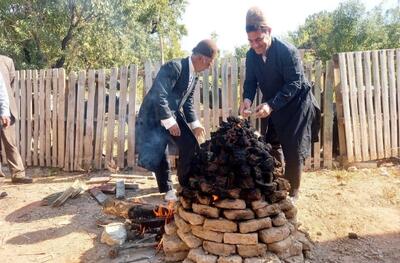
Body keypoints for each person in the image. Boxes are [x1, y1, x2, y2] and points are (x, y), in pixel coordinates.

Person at [239, 7, 320, 202]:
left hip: (296, 105)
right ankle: (277, 183)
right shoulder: (251, 55)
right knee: (272, 143)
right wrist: (247, 99)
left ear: (269, 31)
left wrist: (270, 105)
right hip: (273, 105)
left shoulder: (287, 51)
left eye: (259, 39)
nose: (255, 45)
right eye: (251, 41)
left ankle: (292, 195)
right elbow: (251, 81)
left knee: (293, 149)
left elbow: (294, 83)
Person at [136, 39, 218, 201]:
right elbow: (159, 95)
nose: (209, 67)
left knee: (189, 143)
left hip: (171, 113)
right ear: (202, 58)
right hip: (154, 114)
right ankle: (167, 189)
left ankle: (185, 184)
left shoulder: (194, 76)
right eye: (209, 63)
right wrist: (169, 121)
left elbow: (187, 102)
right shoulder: (174, 66)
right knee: (159, 149)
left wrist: (195, 124)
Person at [0, 55, 31, 184]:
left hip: (5, 108)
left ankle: (18, 174)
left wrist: (5, 110)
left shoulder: (7, 61)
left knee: (10, 142)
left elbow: (8, 86)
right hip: (4, 106)